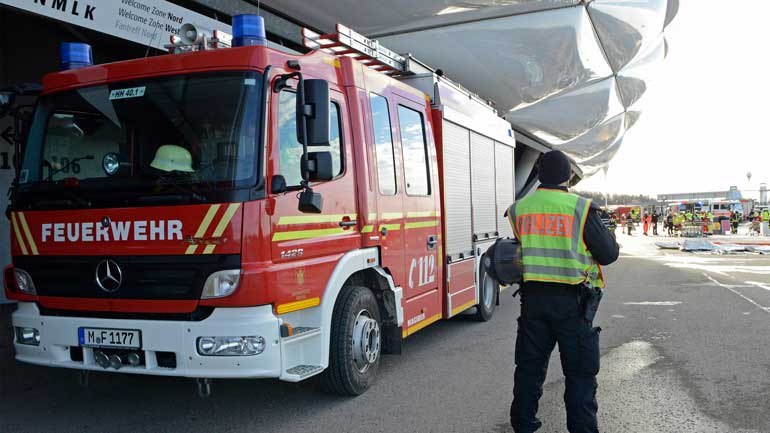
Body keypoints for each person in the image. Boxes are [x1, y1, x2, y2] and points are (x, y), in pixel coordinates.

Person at [508, 150, 619, 433]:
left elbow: (523, 250)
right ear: (569, 176)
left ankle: (523, 425)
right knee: (580, 374)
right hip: (574, 303)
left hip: (533, 302)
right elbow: (607, 254)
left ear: (539, 175)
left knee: (529, 370)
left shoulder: (520, 209)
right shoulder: (580, 208)